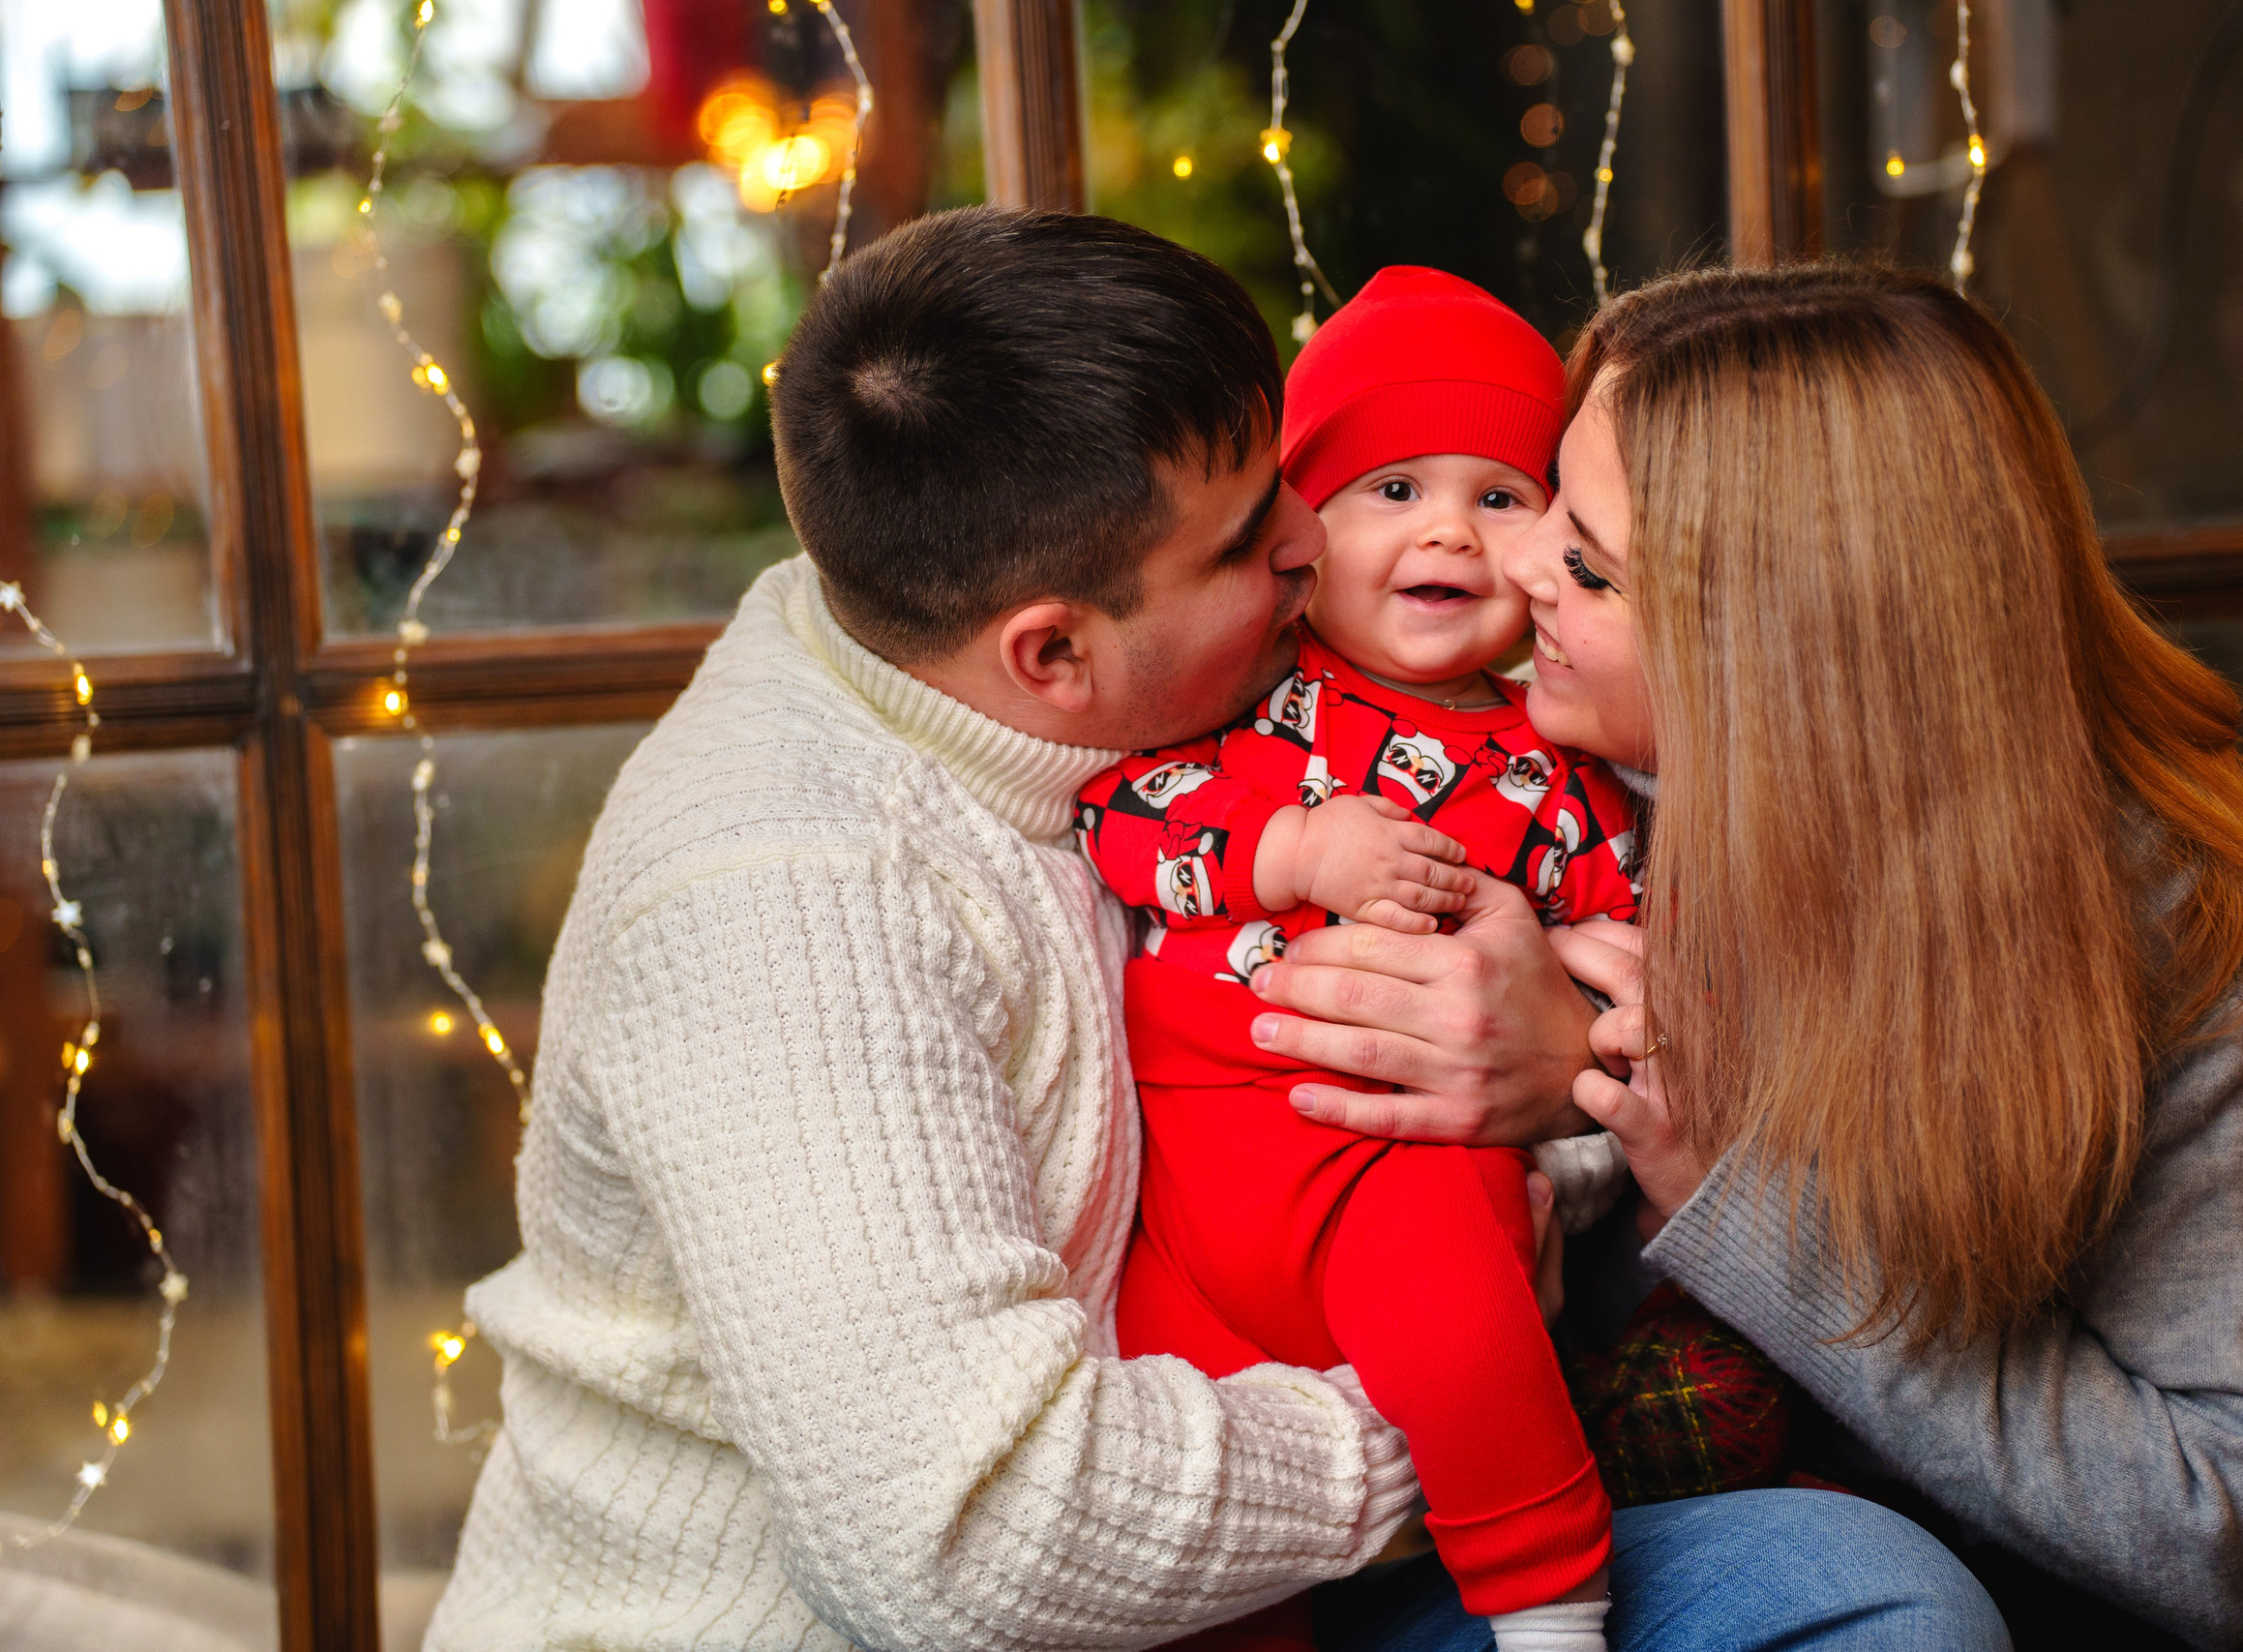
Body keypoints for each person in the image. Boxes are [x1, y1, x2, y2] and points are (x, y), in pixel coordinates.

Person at [421, 212, 2007, 1652]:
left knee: (1867, 1591)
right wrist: (1476, 1399)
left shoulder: (1006, 620)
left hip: (1274, 1513)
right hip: (913, 1615)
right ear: (1052, 656)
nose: (1317, 552)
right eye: (1257, 540)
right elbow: (968, 1543)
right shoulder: (787, 904)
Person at [1248, 260, 2243, 1652]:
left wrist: (1681, 1140)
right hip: (1915, 1479)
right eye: (1547, 495)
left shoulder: (2165, 906)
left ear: (1772, 662)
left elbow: (2232, 1529)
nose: (1508, 562)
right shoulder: (1567, 782)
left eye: (1587, 562)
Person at [1078, 267, 1644, 1652]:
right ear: (1297, 531)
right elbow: (1121, 814)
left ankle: (1548, 1606)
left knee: (1469, 1337)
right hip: (1200, 1164)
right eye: (1391, 489)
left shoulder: (1558, 761)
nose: (1446, 526)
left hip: (1396, 1149)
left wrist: (1573, 1098)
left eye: (1497, 498)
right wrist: (1289, 852)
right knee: (1187, 1543)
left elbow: (1622, 955)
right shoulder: (1247, 691)